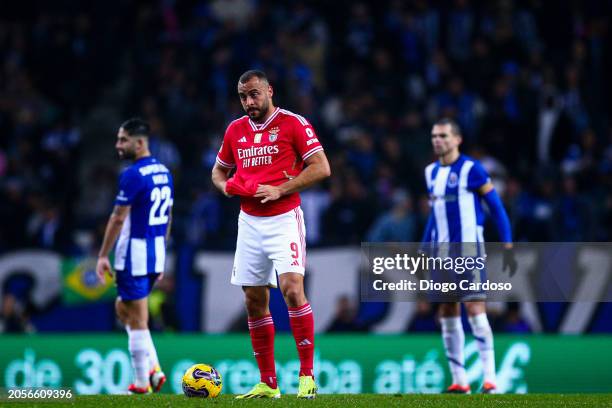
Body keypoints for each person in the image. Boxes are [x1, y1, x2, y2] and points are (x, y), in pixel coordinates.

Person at [211, 70, 331, 399]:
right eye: (243, 96)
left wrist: (282, 189)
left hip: (284, 220)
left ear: (269, 91)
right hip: (249, 222)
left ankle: (306, 375)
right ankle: (268, 383)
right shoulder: (235, 130)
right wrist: (226, 188)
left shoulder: (294, 123)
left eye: (254, 94)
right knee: (253, 301)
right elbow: (219, 170)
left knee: (292, 290)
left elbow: (321, 167)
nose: (249, 101)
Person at [421, 118, 517, 394]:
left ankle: (490, 379)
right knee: (447, 311)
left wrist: (508, 244)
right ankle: (460, 380)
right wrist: (423, 248)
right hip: (440, 252)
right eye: (434, 136)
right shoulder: (430, 173)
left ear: (457, 139)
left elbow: (496, 208)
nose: (438, 140)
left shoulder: (472, 169)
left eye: (443, 136)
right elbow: (435, 214)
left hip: (469, 249)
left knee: (475, 309)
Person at [96, 118, 172, 394]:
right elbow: (168, 216)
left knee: (137, 318)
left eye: (123, 139)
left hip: (133, 254)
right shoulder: (164, 172)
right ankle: (154, 369)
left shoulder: (132, 174)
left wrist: (103, 254)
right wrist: (162, 253)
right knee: (122, 308)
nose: (118, 145)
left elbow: (117, 219)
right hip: (155, 252)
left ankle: (141, 384)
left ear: (139, 143)